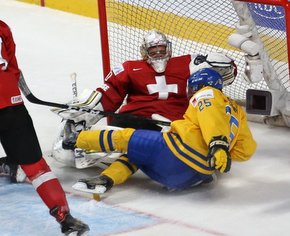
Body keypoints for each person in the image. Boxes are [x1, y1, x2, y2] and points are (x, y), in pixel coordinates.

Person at [53, 30, 237, 193]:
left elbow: (228, 70)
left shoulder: (189, 62)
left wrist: (222, 63)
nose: (158, 53)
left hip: (173, 127)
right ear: (144, 52)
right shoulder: (129, 68)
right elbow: (109, 94)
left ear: (169, 49)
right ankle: (80, 142)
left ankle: (105, 174)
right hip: (135, 119)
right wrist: (85, 112)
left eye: (161, 49)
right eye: (153, 50)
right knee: (138, 143)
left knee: (140, 151)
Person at [71, 67, 257, 192]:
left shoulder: (207, 93)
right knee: (139, 153)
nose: (190, 92)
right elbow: (245, 150)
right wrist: (217, 155)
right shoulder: (237, 111)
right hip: (191, 178)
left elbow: (210, 115)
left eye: (192, 88)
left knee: (127, 137)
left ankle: (76, 139)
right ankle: (106, 179)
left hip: (178, 155)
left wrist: (218, 145)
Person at [0, 20, 89, 235]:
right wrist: (22, 92)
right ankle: (65, 217)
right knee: (36, 167)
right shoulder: (2, 28)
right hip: (11, 106)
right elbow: (13, 66)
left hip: (10, 107)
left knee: (33, 164)